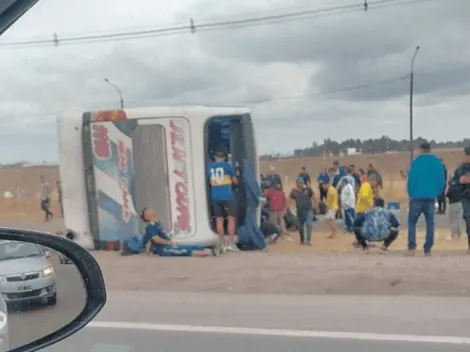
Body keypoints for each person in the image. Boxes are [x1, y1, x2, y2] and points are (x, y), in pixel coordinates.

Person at [407, 142, 446, 256]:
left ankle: (412, 247)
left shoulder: (415, 162)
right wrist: (437, 193)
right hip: (430, 197)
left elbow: (411, 179)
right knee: (430, 223)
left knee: (412, 222)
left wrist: (411, 193)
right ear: (430, 149)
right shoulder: (437, 162)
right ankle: (427, 248)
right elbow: (441, 180)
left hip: (416, 197)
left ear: (420, 149)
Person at [141, 208, 210, 257]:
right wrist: (169, 242)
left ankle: (208, 250)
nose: (152, 210)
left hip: (169, 245)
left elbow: (149, 240)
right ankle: (209, 253)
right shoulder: (150, 226)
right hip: (164, 248)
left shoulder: (157, 223)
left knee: (191, 247)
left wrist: (148, 251)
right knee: (185, 251)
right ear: (146, 217)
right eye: (149, 211)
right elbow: (156, 239)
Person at [207, 150, 239, 252]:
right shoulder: (227, 166)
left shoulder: (209, 167)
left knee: (219, 220)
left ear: (215, 157)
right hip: (227, 196)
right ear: (224, 157)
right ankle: (231, 243)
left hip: (215, 197)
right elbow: (234, 181)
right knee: (231, 219)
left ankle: (221, 244)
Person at [449, 146, 470, 253]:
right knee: (468, 219)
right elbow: (452, 183)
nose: (466, 157)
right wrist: (459, 182)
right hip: (466, 198)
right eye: (466, 155)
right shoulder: (461, 168)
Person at [289, 178, 315, 245]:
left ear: (301, 183)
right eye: (296, 183)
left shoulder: (308, 189)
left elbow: (313, 196)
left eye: (298, 183)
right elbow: (290, 198)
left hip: (309, 209)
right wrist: (289, 207)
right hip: (300, 210)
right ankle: (302, 239)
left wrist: (316, 205)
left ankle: (309, 240)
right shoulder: (294, 191)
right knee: (300, 226)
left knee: (309, 224)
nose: (297, 185)